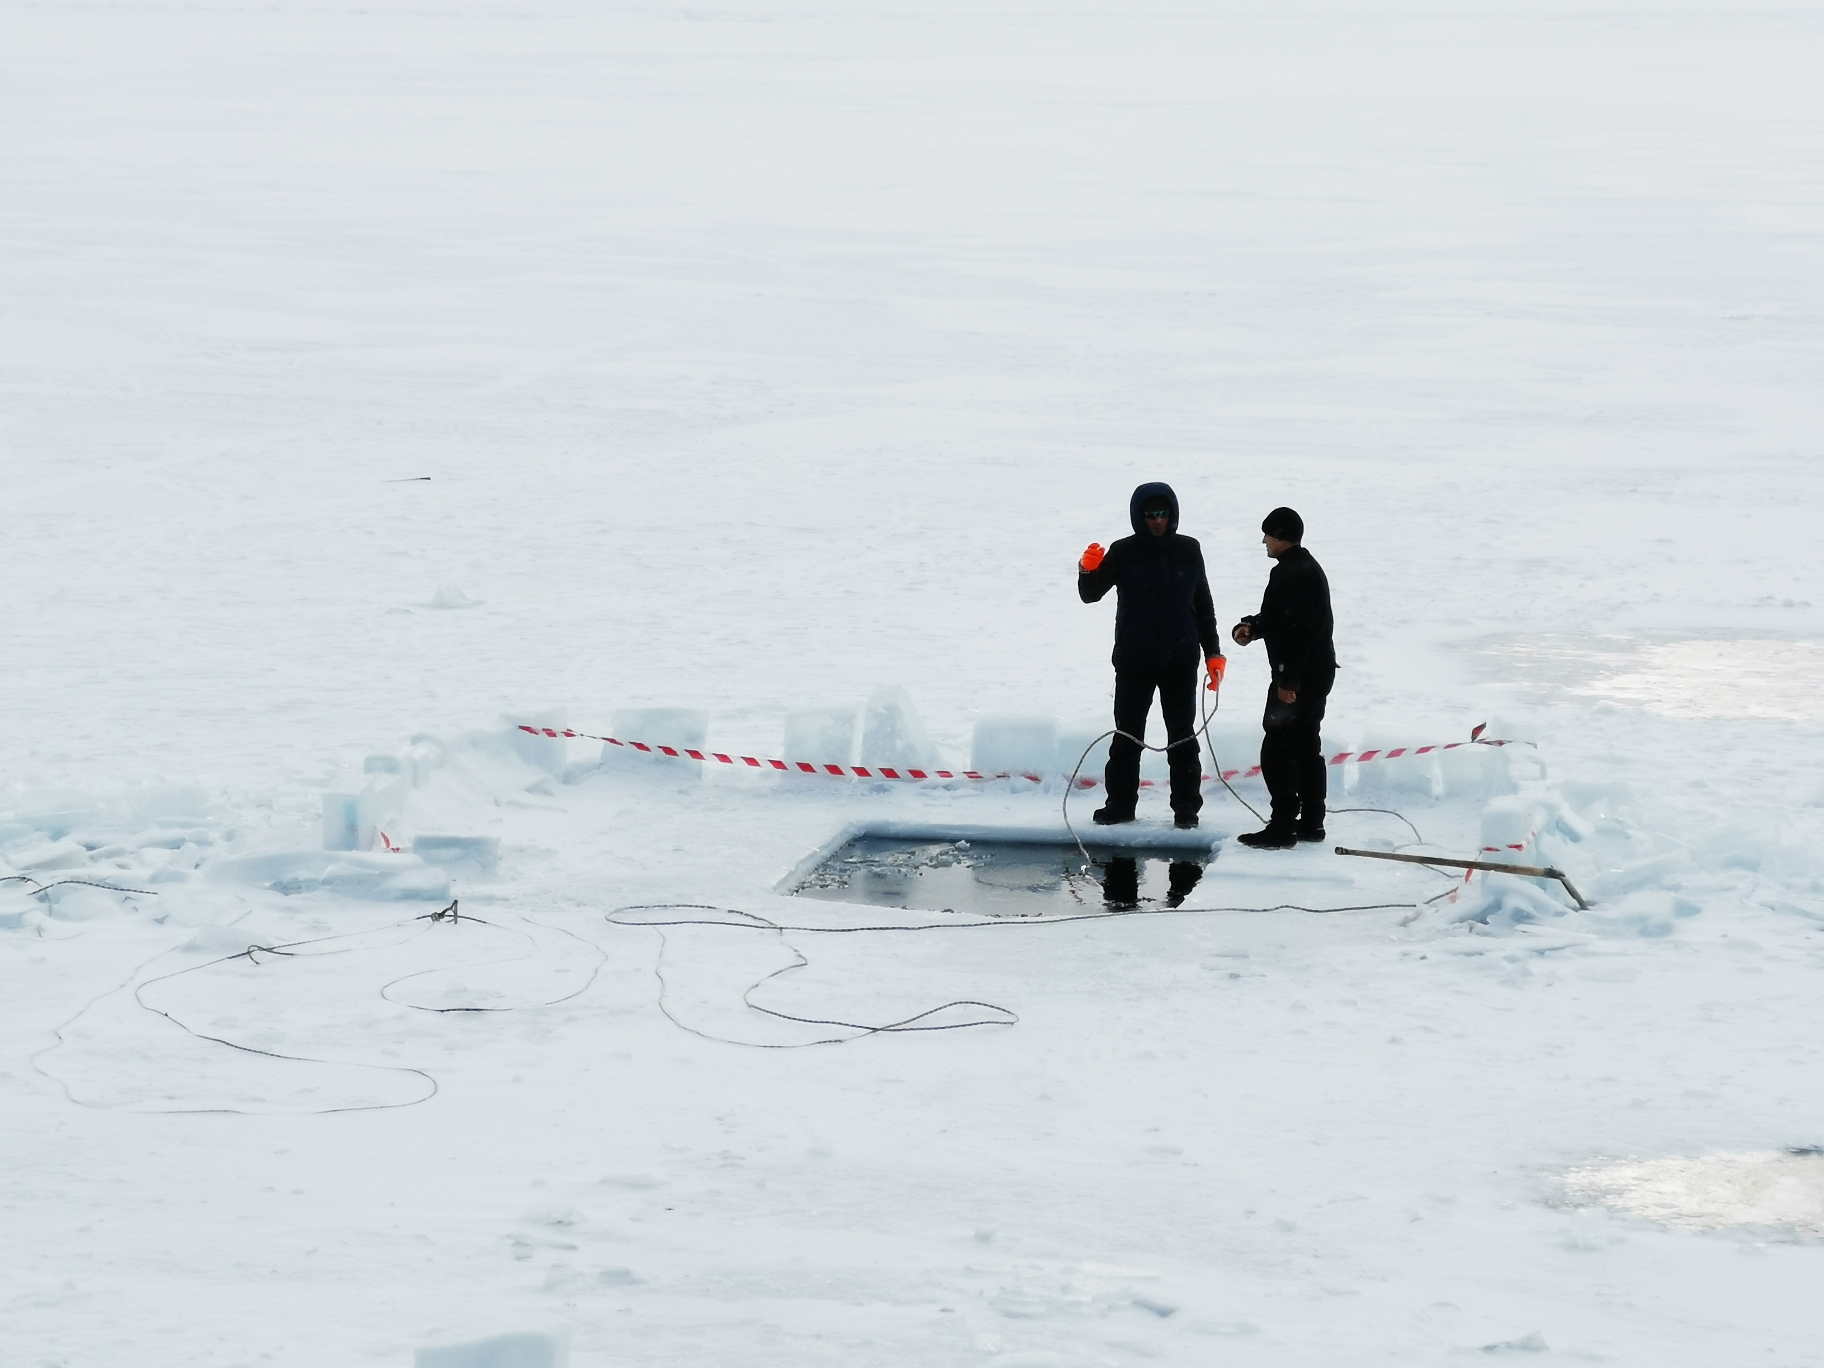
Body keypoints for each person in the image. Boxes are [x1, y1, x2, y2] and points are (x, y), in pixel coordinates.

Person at [1077, 482, 1225, 829]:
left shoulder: (1189, 550)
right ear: (1138, 516)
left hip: (1180, 659)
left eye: (1163, 514)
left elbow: (1203, 605)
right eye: (1150, 515)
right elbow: (1090, 595)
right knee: (1127, 735)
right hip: (1134, 660)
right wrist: (1087, 571)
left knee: (1183, 736)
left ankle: (1186, 807)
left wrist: (1213, 653)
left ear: (1172, 514)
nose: (1157, 521)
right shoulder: (1123, 551)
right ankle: (1120, 804)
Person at [1229, 506, 1335, 848]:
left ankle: (1283, 825)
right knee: (1305, 745)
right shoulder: (1299, 568)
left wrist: (1288, 682)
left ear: (1280, 537)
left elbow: (1299, 632)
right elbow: (1282, 618)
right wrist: (1253, 627)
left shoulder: (1295, 574)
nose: (1264, 541)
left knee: (1277, 748)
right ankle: (1311, 822)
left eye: (1268, 536)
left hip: (1300, 677)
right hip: (1312, 674)